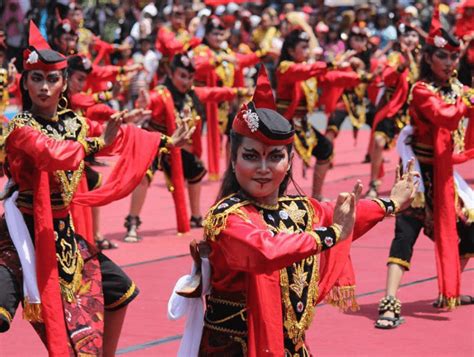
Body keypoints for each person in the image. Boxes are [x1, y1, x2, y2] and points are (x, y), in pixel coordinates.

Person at [172, 67, 418, 355]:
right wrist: (332, 234)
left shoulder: (299, 209)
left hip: (290, 347)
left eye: (274, 156)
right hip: (236, 348)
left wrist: (391, 203)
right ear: (233, 158)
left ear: (289, 160)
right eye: (251, 156)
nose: (263, 169)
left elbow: (344, 213)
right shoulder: (227, 217)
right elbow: (265, 250)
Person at [0, 22, 193, 355]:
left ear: (63, 84)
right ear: (25, 84)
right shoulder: (21, 127)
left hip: (64, 236)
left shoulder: (73, 122)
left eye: (52, 79)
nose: (45, 88)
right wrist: (95, 144)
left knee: (121, 291)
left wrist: (163, 140)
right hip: (24, 236)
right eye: (37, 79)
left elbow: (107, 137)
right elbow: (52, 153)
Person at [375, 13, 474, 329]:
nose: (448, 61)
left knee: (470, 231)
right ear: (428, 57)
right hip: (417, 177)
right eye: (442, 55)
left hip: (445, 176)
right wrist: (464, 101)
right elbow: (445, 116)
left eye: (453, 56)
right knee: (405, 235)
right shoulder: (421, 89)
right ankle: (388, 303)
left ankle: (450, 290)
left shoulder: (458, 87)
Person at [124, 53, 249, 239]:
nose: (187, 81)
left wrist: (240, 92)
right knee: (143, 177)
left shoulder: (191, 95)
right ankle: (132, 222)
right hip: (154, 143)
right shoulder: (161, 94)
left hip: (175, 147)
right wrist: (143, 101)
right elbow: (149, 100)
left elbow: (213, 92)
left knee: (196, 169)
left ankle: (196, 216)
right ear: (171, 73)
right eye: (182, 76)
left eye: (190, 77)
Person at [275, 29, 364, 200]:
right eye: (304, 47)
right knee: (282, 160)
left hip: (301, 122)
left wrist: (362, 78)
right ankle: (274, 197)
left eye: (308, 47)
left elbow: (332, 78)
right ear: (291, 51)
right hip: (282, 123)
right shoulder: (286, 68)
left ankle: (316, 195)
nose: (308, 51)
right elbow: (304, 72)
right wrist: (332, 62)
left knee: (325, 150)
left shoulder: (310, 69)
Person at [365, 22, 421, 198]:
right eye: (406, 36)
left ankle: (404, 185)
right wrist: (402, 65)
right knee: (378, 142)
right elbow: (388, 77)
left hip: (413, 111)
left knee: (409, 150)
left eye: (413, 36)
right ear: (400, 39)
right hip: (392, 108)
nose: (410, 39)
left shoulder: (423, 58)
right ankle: (374, 183)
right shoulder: (395, 57)